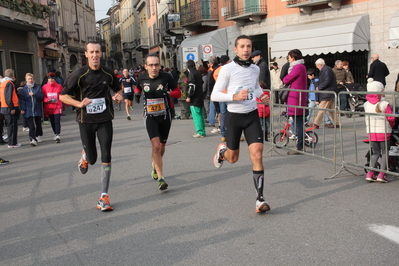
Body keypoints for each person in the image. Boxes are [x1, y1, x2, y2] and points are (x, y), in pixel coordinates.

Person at [60, 41, 123, 211]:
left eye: (97, 52)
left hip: (104, 119)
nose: (95, 55)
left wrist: (118, 96)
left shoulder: (108, 73)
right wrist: (79, 104)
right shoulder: (79, 74)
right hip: (86, 121)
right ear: (86, 55)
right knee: (93, 158)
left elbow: (119, 89)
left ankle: (104, 196)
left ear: (101, 53)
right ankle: (85, 155)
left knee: (107, 154)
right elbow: (62, 96)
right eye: (91, 52)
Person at [211, 35, 271, 214]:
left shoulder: (254, 69)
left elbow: (255, 88)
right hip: (234, 116)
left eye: (249, 46)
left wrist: (262, 95)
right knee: (233, 158)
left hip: (251, 115)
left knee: (257, 154)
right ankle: (223, 151)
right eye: (242, 47)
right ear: (235, 49)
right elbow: (214, 95)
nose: (246, 50)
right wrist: (234, 97)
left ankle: (259, 200)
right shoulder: (227, 69)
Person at [134, 53, 181, 191]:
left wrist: (168, 94)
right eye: (151, 65)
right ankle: (161, 178)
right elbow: (138, 87)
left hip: (165, 115)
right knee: (155, 146)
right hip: (150, 116)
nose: (154, 68)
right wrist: (137, 93)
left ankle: (155, 165)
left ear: (160, 65)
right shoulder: (142, 77)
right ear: (146, 66)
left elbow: (178, 92)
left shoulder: (166, 77)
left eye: (156, 65)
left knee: (161, 146)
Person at [364, 78, 395, 183]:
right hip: (384, 132)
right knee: (385, 152)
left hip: (371, 132)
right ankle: (382, 174)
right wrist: (392, 126)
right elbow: (391, 118)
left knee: (375, 152)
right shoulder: (385, 104)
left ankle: (370, 173)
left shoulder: (366, 104)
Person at [282, 49, 308, 154]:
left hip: (297, 98)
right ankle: (299, 145)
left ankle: (300, 146)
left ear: (293, 57)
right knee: (298, 122)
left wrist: (286, 77)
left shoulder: (298, 67)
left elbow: (286, 79)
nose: (288, 59)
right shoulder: (301, 67)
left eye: (289, 57)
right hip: (297, 98)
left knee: (298, 123)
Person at [312, 58, 340, 129]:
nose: (316, 67)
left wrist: (319, 87)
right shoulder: (326, 69)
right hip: (329, 91)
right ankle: (337, 123)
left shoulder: (326, 70)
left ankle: (316, 123)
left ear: (320, 65)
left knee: (322, 108)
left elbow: (327, 81)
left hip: (327, 92)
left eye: (317, 65)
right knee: (332, 109)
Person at [19, 73, 44, 146]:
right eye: (29, 79)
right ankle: (32, 139)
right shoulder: (24, 90)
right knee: (31, 125)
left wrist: (34, 94)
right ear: (26, 80)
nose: (30, 80)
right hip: (28, 109)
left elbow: (42, 96)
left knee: (38, 124)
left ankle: (38, 135)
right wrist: (23, 109)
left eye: (31, 79)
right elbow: (22, 100)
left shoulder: (38, 88)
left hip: (37, 108)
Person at [0, 69, 22, 148]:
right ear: (12, 75)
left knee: (10, 125)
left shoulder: (3, 83)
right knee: (12, 125)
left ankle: (11, 142)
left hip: (4, 107)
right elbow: (8, 97)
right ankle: (12, 143)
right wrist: (12, 108)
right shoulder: (9, 83)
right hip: (10, 107)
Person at [186, 60, 205, 138]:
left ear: (188, 66)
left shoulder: (191, 74)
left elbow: (191, 86)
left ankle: (200, 132)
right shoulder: (198, 73)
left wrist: (189, 96)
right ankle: (202, 131)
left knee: (196, 116)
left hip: (194, 99)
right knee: (200, 115)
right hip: (200, 97)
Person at [42, 72, 63, 143]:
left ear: (55, 79)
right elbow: (43, 97)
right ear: (47, 79)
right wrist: (46, 100)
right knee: (52, 121)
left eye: (52, 79)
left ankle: (58, 134)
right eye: (49, 79)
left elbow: (62, 95)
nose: (51, 80)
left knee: (57, 121)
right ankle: (55, 133)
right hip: (49, 107)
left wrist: (65, 103)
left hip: (57, 106)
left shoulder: (59, 86)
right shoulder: (44, 87)